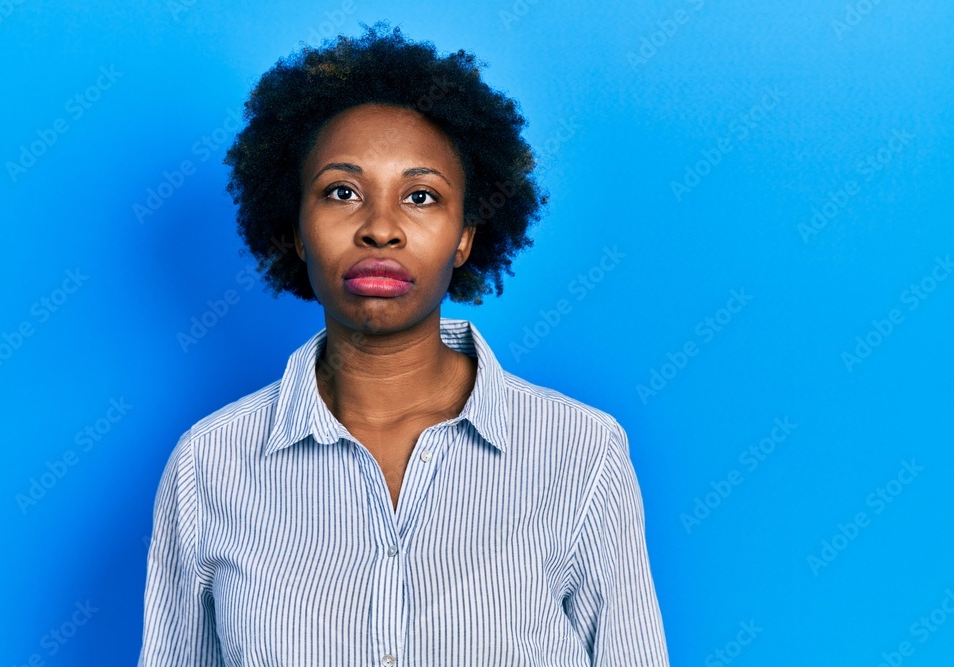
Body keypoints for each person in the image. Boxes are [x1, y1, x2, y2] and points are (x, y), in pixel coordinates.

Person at [139, 21, 669, 666]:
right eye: (342, 192)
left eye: (421, 196)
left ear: (466, 235)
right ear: (298, 229)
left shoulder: (581, 453)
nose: (380, 229)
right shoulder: (209, 465)